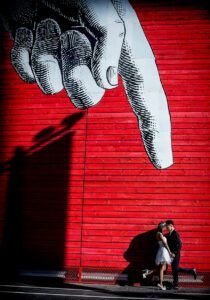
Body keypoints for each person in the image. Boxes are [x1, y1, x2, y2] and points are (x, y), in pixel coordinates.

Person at [165, 220, 197, 289]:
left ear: (171, 226)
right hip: (172, 254)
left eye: (167, 226)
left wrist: (174, 253)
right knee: (174, 269)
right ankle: (175, 284)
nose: (166, 228)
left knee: (175, 268)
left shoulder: (175, 234)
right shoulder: (169, 234)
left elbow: (179, 244)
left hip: (175, 254)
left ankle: (191, 270)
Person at [143, 222, 174, 290]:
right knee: (161, 268)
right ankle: (161, 284)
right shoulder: (159, 234)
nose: (165, 228)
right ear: (162, 227)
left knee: (163, 268)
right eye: (164, 227)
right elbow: (165, 244)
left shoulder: (159, 234)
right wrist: (170, 252)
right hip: (163, 251)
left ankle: (147, 272)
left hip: (162, 250)